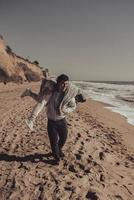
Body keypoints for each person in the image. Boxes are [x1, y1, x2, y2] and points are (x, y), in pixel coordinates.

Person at [21, 74, 86, 163]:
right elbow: (41, 103)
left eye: (66, 84)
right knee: (53, 140)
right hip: (51, 122)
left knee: (63, 138)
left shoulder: (68, 95)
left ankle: (58, 150)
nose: (64, 86)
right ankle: (56, 157)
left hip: (62, 121)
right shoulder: (51, 92)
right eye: (62, 83)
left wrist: (66, 110)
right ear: (58, 83)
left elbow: (73, 106)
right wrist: (32, 118)